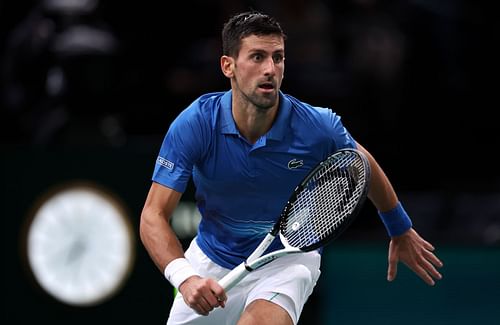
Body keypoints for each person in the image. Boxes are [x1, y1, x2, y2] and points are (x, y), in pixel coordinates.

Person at [139, 11, 443, 325]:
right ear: (228, 66)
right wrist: (185, 278)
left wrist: (399, 227)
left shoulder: (317, 126)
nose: (270, 69)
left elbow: (361, 163)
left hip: (288, 258)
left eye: (278, 58)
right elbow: (153, 215)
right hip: (211, 260)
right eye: (257, 57)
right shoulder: (197, 123)